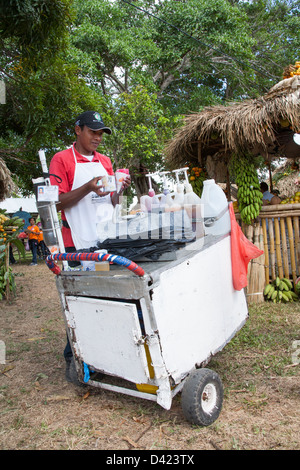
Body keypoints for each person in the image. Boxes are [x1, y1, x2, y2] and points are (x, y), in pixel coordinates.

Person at [49, 110, 131, 381]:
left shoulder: (105, 161)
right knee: (78, 299)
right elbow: (56, 204)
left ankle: (104, 354)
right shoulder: (61, 160)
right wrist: (87, 187)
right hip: (75, 244)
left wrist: (119, 189)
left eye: (100, 133)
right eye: (92, 132)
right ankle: (73, 358)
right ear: (78, 130)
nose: (97, 138)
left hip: (102, 242)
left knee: (105, 295)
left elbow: (112, 203)